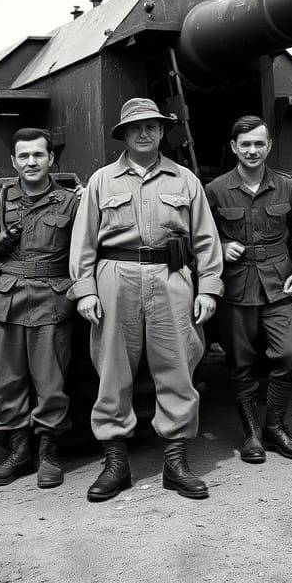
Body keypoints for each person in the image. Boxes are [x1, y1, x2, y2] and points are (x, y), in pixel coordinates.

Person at [68, 98, 223, 502]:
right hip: (115, 278)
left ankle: (175, 461)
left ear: (161, 131)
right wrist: (84, 289)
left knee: (177, 366)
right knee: (112, 371)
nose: (144, 133)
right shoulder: (102, 180)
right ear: (123, 134)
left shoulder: (185, 180)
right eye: (136, 127)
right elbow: (83, 241)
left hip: (171, 278)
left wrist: (208, 287)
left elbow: (206, 238)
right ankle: (116, 463)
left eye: (152, 126)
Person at [0, 128, 79, 489]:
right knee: (6, 382)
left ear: (51, 159)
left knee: (51, 383)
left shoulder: (70, 203)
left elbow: (84, 253)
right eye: (24, 156)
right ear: (14, 161)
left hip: (52, 301)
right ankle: (18, 453)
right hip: (6, 302)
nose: (31, 162)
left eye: (38, 155)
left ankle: (47, 453)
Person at [205, 116, 292, 465]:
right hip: (236, 288)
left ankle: (276, 426)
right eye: (246, 144)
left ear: (268, 147)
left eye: (259, 144)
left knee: (289, 356)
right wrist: (221, 247)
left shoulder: (287, 187)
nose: (252, 150)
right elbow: (199, 237)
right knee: (240, 364)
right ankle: (251, 435)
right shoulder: (215, 189)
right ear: (234, 148)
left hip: (279, 286)